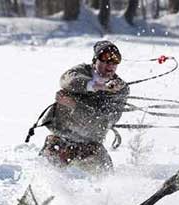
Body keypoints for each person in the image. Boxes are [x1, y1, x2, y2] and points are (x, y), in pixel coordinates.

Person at [39, 40, 129, 174]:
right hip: (60, 140)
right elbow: (68, 81)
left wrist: (73, 105)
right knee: (45, 175)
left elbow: (103, 123)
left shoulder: (120, 89)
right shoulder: (80, 72)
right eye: (105, 59)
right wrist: (96, 86)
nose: (110, 64)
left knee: (107, 179)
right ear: (95, 61)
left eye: (115, 61)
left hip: (90, 147)